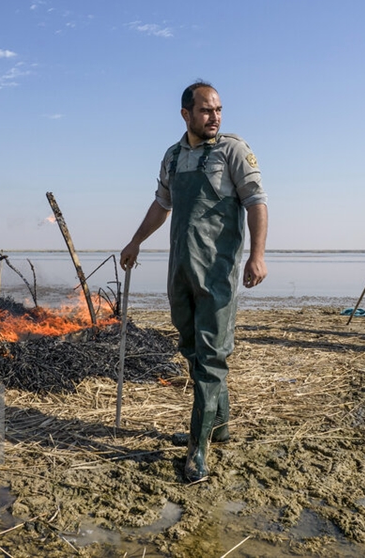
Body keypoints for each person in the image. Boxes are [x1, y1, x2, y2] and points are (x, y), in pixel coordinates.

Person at [120, 81, 268, 482]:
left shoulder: (232, 151)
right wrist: (135, 241)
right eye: (206, 110)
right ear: (186, 114)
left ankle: (197, 448)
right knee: (190, 347)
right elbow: (161, 204)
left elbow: (256, 201)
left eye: (218, 109)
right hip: (180, 270)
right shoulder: (173, 155)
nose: (215, 117)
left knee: (212, 356)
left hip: (217, 273)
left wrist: (256, 255)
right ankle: (217, 426)